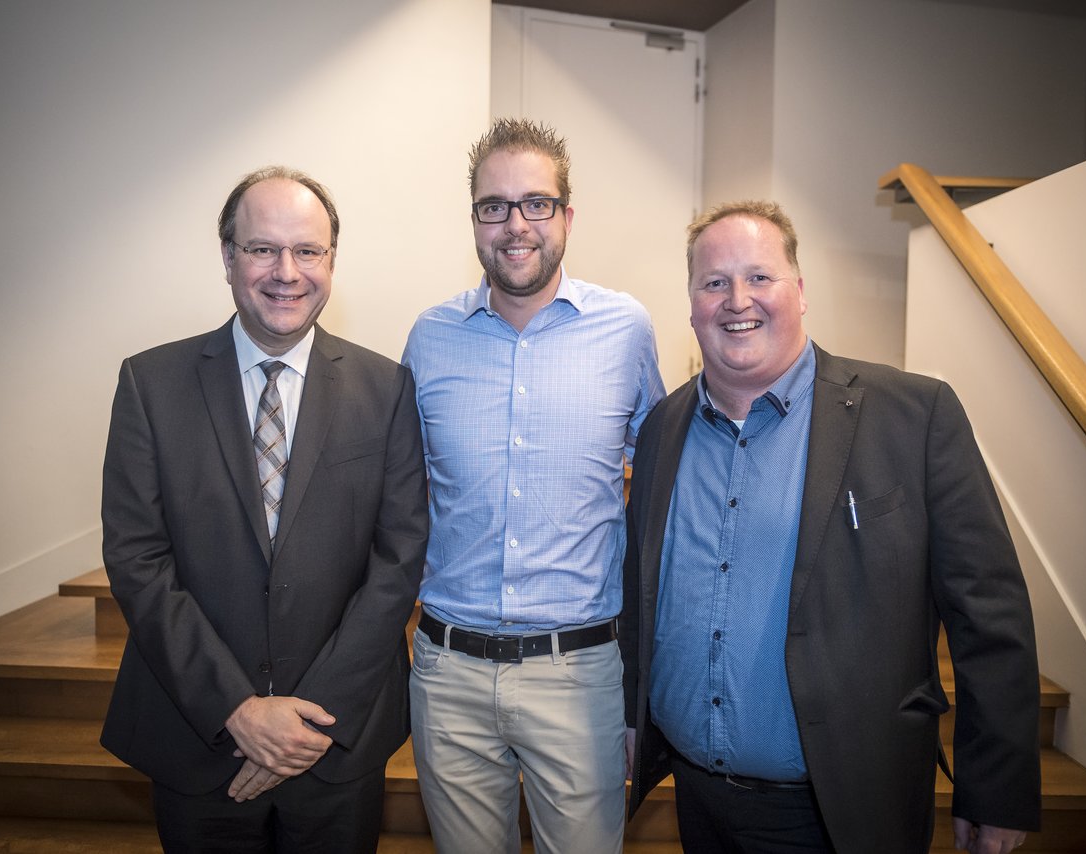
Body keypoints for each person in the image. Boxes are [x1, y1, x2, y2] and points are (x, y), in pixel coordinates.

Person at [620, 200, 1040, 854]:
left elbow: (990, 615)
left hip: (846, 811)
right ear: (692, 302)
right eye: (714, 282)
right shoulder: (661, 431)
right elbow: (638, 594)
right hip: (698, 801)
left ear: (801, 291)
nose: (738, 299)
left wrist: (998, 790)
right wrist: (631, 712)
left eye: (760, 277)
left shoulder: (913, 417)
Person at [99, 166, 428, 853]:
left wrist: (306, 725)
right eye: (261, 249)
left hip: (334, 743)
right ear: (227, 258)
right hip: (198, 740)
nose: (287, 271)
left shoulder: (388, 389)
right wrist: (236, 710)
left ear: (332, 261)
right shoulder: (149, 384)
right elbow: (137, 560)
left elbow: (397, 563)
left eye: (308, 250)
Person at [401, 118, 665, 854]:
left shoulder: (626, 330)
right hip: (449, 674)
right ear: (475, 220)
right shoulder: (429, 337)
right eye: (495, 206)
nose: (515, 225)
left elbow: (664, 479)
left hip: (578, 674)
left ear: (567, 217)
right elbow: (399, 493)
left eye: (536, 203)